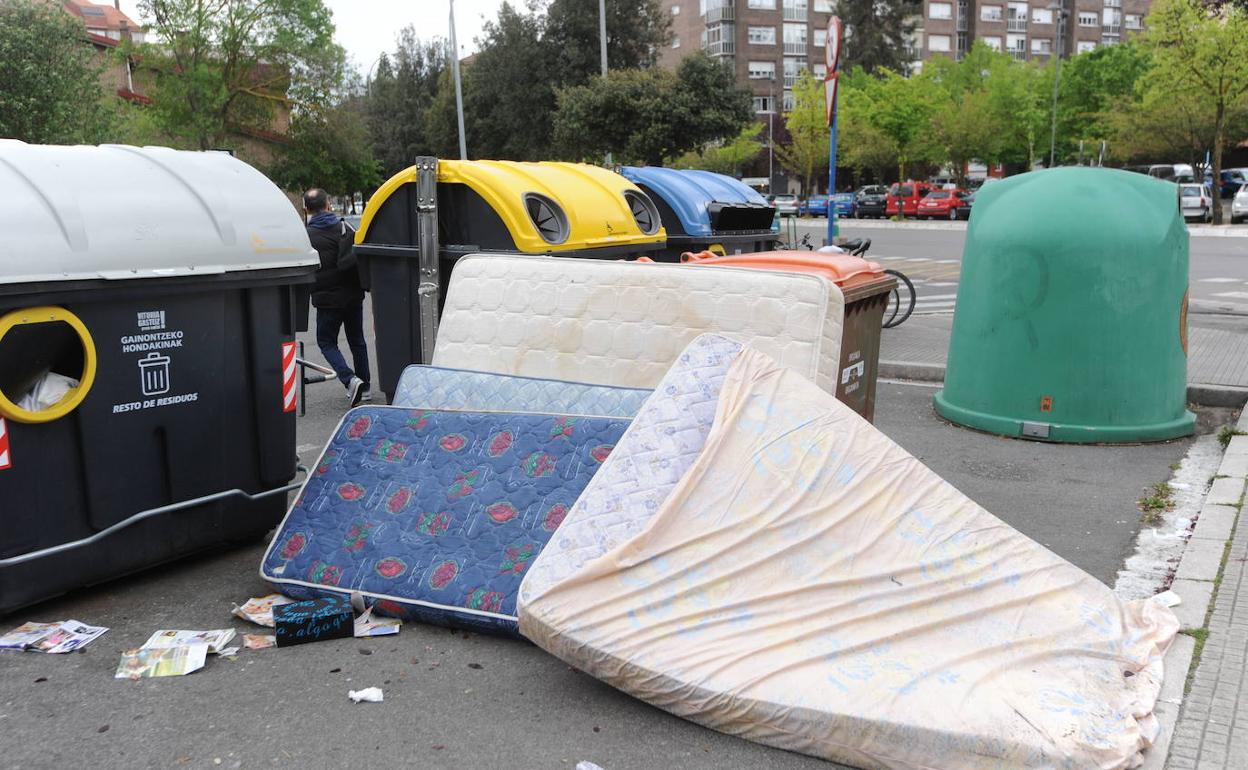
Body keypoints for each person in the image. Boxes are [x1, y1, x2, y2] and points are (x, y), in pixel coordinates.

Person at [304, 188, 370, 406]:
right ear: (328, 205)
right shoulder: (345, 227)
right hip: (353, 294)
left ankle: (350, 379)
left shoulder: (306, 236)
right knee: (357, 340)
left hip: (326, 299)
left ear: (307, 209)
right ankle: (366, 386)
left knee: (326, 341)